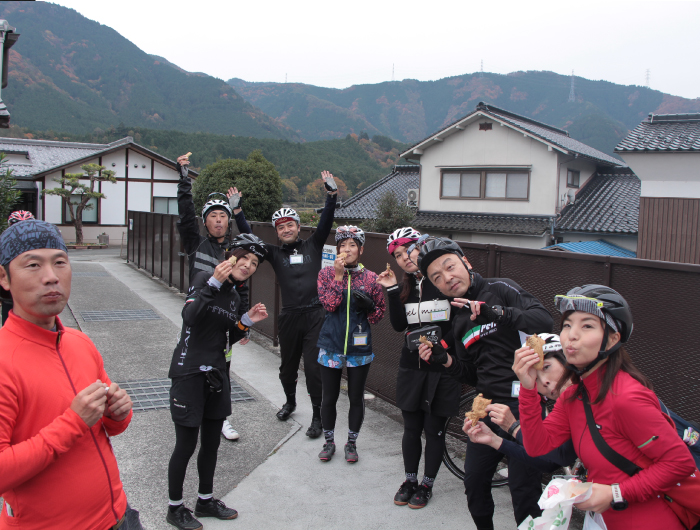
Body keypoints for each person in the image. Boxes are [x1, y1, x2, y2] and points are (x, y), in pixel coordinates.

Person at [514, 285, 697, 530]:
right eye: (567, 325)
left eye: (587, 326)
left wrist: (615, 493)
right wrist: (528, 389)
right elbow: (537, 446)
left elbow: (679, 464)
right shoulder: (574, 396)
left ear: (612, 339)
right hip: (604, 520)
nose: (571, 335)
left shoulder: (627, 397)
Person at [0, 219, 142, 529]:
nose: (51, 276)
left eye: (60, 262)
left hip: (120, 515)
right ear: (4, 277)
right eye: (33, 265)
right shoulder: (3, 359)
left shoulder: (79, 342)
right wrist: (73, 423)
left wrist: (117, 413)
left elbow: (109, 427)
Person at [416, 237, 553, 530]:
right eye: (436, 277)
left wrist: (499, 314)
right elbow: (473, 375)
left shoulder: (501, 288)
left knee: (524, 492)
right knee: (475, 484)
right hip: (486, 406)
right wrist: (445, 360)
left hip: (523, 404)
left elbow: (544, 320)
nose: (447, 278)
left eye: (450, 267)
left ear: (465, 263)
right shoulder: (459, 321)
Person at [166, 234, 269, 530]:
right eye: (244, 258)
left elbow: (226, 337)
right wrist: (213, 282)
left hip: (217, 375)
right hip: (189, 373)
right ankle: (175, 508)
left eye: (254, 263)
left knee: (211, 444)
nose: (248, 265)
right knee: (186, 445)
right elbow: (190, 316)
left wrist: (246, 321)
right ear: (230, 256)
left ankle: (205, 500)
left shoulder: (235, 297)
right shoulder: (203, 278)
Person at [232, 171, 338, 438]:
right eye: (281, 227)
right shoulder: (275, 253)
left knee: (314, 368)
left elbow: (326, 221)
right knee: (287, 368)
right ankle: (290, 402)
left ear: (298, 227)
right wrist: (237, 212)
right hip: (289, 317)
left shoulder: (313, 245)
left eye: (290, 224)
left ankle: (317, 416)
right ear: (277, 232)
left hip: (315, 315)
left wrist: (331, 196)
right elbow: (250, 237)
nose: (286, 229)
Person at [375, 227, 460, 509]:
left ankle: (427, 484)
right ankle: (410, 480)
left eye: (408, 250)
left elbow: (458, 323)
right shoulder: (407, 287)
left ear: (421, 247)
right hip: (411, 366)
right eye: (398, 255)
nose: (404, 258)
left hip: (442, 367)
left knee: (434, 430)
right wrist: (391, 290)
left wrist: (442, 347)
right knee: (411, 428)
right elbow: (399, 325)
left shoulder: (442, 281)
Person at [176, 153, 245, 441]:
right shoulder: (196, 244)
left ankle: (221, 418)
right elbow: (185, 216)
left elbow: (241, 286)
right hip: (197, 314)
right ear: (205, 222)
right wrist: (184, 179)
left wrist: (243, 322)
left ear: (229, 222)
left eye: (223, 216)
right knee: (192, 367)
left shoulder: (233, 251)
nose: (218, 221)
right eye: (213, 217)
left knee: (223, 368)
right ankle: (191, 412)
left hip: (223, 320)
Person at [315, 225, 385, 463]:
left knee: (356, 397)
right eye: (342, 245)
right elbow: (329, 305)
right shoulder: (326, 274)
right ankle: (329, 442)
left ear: (361, 250)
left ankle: (352, 444)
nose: (347, 249)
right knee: (329, 397)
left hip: (359, 348)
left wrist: (370, 306)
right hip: (330, 345)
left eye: (352, 245)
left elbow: (377, 316)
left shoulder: (371, 278)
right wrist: (338, 276)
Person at [464, 335, 577, 473]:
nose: (544, 382)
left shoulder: (589, 393)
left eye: (546, 367)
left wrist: (513, 426)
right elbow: (555, 460)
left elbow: (560, 456)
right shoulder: (566, 404)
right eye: (535, 379)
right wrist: (494, 440)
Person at [1, 211, 35, 325]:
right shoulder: (3, 243)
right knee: (8, 324)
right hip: (9, 292)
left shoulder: (39, 243)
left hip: (32, 290)